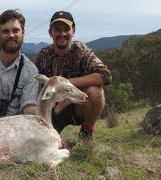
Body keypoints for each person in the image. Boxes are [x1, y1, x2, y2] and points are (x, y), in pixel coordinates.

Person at [32, 11, 112, 144]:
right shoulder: (43, 55)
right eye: (57, 29)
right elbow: (28, 79)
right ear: (50, 33)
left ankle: (86, 132)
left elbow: (105, 75)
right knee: (43, 143)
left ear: (73, 31)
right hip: (53, 110)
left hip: (77, 106)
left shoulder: (81, 51)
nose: (62, 34)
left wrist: (67, 84)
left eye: (66, 29)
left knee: (95, 92)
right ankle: (65, 144)